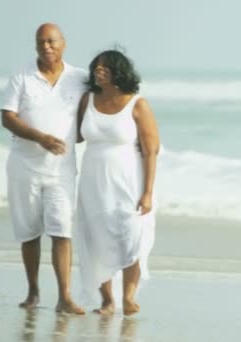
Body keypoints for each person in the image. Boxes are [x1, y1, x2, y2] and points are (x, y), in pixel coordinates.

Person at [0, 23, 87, 314]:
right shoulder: (22, 75)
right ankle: (34, 291)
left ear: (63, 43)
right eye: (40, 42)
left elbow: (98, 108)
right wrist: (40, 137)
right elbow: (8, 118)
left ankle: (64, 296)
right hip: (24, 166)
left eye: (51, 41)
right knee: (29, 232)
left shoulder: (79, 78)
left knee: (62, 229)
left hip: (62, 168)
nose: (46, 47)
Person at [75, 49, 159, 316]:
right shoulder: (87, 100)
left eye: (105, 68)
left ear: (118, 71)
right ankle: (108, 302)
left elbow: (151, 150)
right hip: (92, 181)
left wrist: (148, 193)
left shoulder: (138, 104)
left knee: (132, 235)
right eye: (96, 68)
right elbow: (76, 137)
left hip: (129, 181)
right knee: (97, 240)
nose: (98, 71)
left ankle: (130, 297)